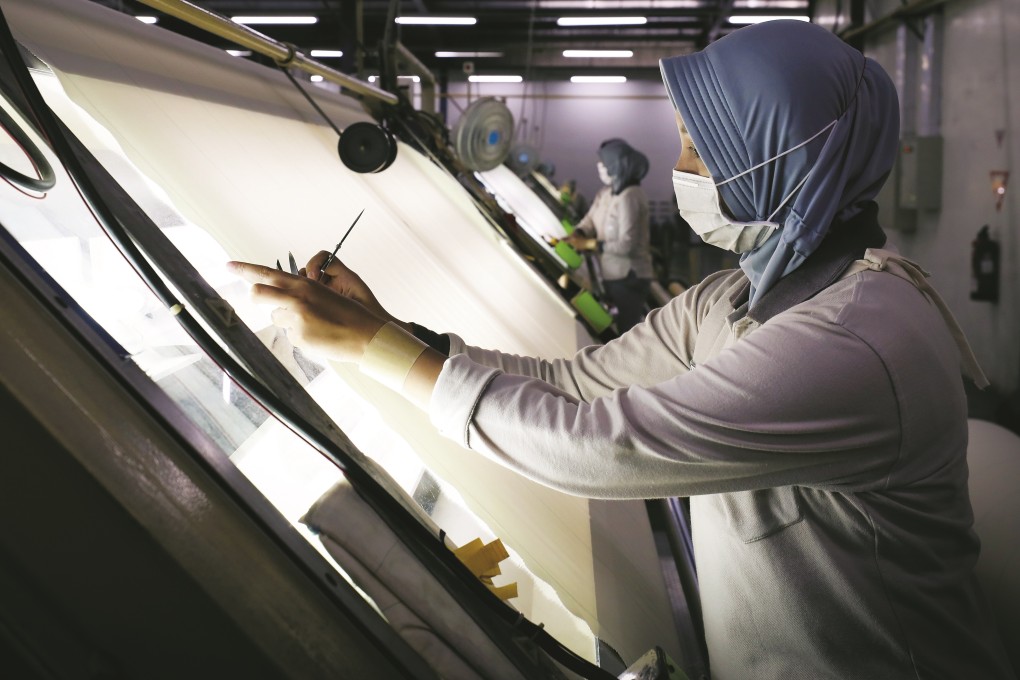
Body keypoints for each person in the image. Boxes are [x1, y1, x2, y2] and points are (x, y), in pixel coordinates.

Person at [229, 20, 1013, 679]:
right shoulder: (735, 298)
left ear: (781, 155)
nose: (680, 170)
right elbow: (578, 384)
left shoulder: (855, 343)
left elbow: (603, 446)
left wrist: (377, 351)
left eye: (700, 148)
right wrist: (395, 333)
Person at [564, 138, 653, 332]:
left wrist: (589, 244)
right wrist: (578, 232)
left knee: (626, 331)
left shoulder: (631, 196)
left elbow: (626, 245)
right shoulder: (606, 193)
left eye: (604, 163)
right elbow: (590, 219)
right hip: (612, 273)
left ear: (616, 165)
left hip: (629, 277)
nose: (600, 167)